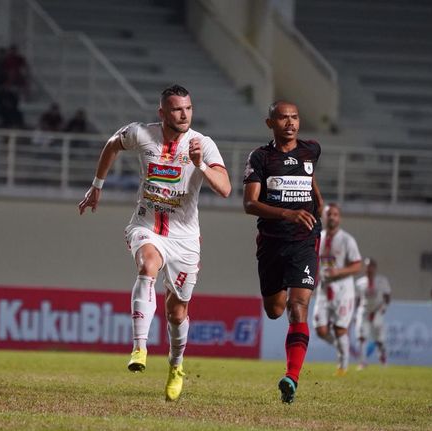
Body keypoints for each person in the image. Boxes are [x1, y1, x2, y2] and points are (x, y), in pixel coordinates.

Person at [78, 84, 231, 401]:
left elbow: (226, 189)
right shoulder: (141, 134)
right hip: (146, 224)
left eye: (188, 108)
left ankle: (176, 366)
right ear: (162, 113)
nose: (184, 114)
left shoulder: (202, 144)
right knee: (147, 265)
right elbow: (111, 145)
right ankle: (139, 347)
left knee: (177, 313)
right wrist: (97, 186)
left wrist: (201, 164)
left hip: (185, 238)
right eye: (177, 109)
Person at [243, 100, 324, 404]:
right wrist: (287, 214)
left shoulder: (311, 150)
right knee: (275, 310)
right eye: (283, 118)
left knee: (297, 307)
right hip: (271, 242)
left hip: (304, 242)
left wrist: (320, 207)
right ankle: (291, 373)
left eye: (295, 118)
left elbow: (310, 179)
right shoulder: (260, 158)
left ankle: (292, 377)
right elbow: (249, 204)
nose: (290, 123)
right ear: (270, 123)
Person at [312, 203, 362, 376]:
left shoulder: (347, 240)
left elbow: (357, 265)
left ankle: (343, 366)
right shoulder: (319, 237)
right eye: (328, 214)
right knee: (321, 330)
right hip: (324, 288)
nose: (332, 217)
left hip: (343, 290)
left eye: (335, 214)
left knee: (340, 329)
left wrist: (339, 271)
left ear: (339, 217)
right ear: (324, 217)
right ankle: (343, 346)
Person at [354, 258, 391, 370]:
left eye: (370, 266)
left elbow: (387, 296)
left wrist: (384, 307)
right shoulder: (360, 283)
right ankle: (362, 362)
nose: (368, 269)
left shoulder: (382, 281)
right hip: (364, 311)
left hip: (377, 310)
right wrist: (356, 313)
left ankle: (382, 357)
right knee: (361, 336)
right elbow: (357, 299)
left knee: (379, 339)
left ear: (375, 268)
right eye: (366, 266)